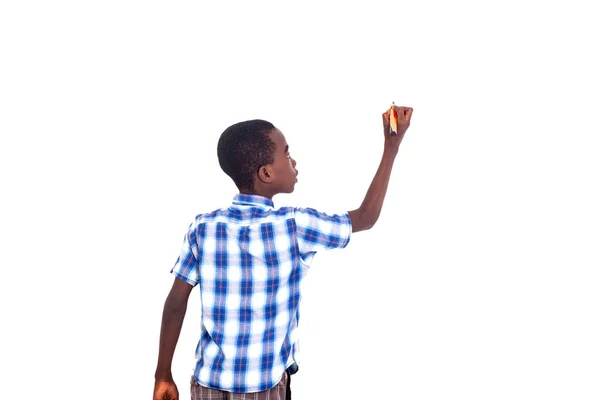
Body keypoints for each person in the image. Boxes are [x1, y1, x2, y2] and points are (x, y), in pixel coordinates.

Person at [153, 105, 414, 400]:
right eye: (287, 155)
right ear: (266, 173)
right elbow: (366, 217)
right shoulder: (295, 225)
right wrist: (391, 146)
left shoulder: (203, 227)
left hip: (206, 384)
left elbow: (175, 302)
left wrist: (162, 375)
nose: (294, 162)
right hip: (263, 387)